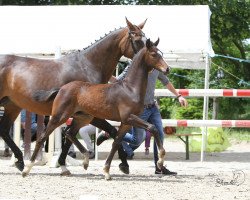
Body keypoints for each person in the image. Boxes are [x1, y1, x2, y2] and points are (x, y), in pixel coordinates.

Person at [98, 60, 188, 175]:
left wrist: (178, 96)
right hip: (139, 109)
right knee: (138, 139)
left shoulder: (156, 68)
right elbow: (118, 81)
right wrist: (106, 75)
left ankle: (159, 167)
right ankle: (111, 133)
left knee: (159, 134)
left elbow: (166, 82)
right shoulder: (134, 66)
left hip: (152, 107)